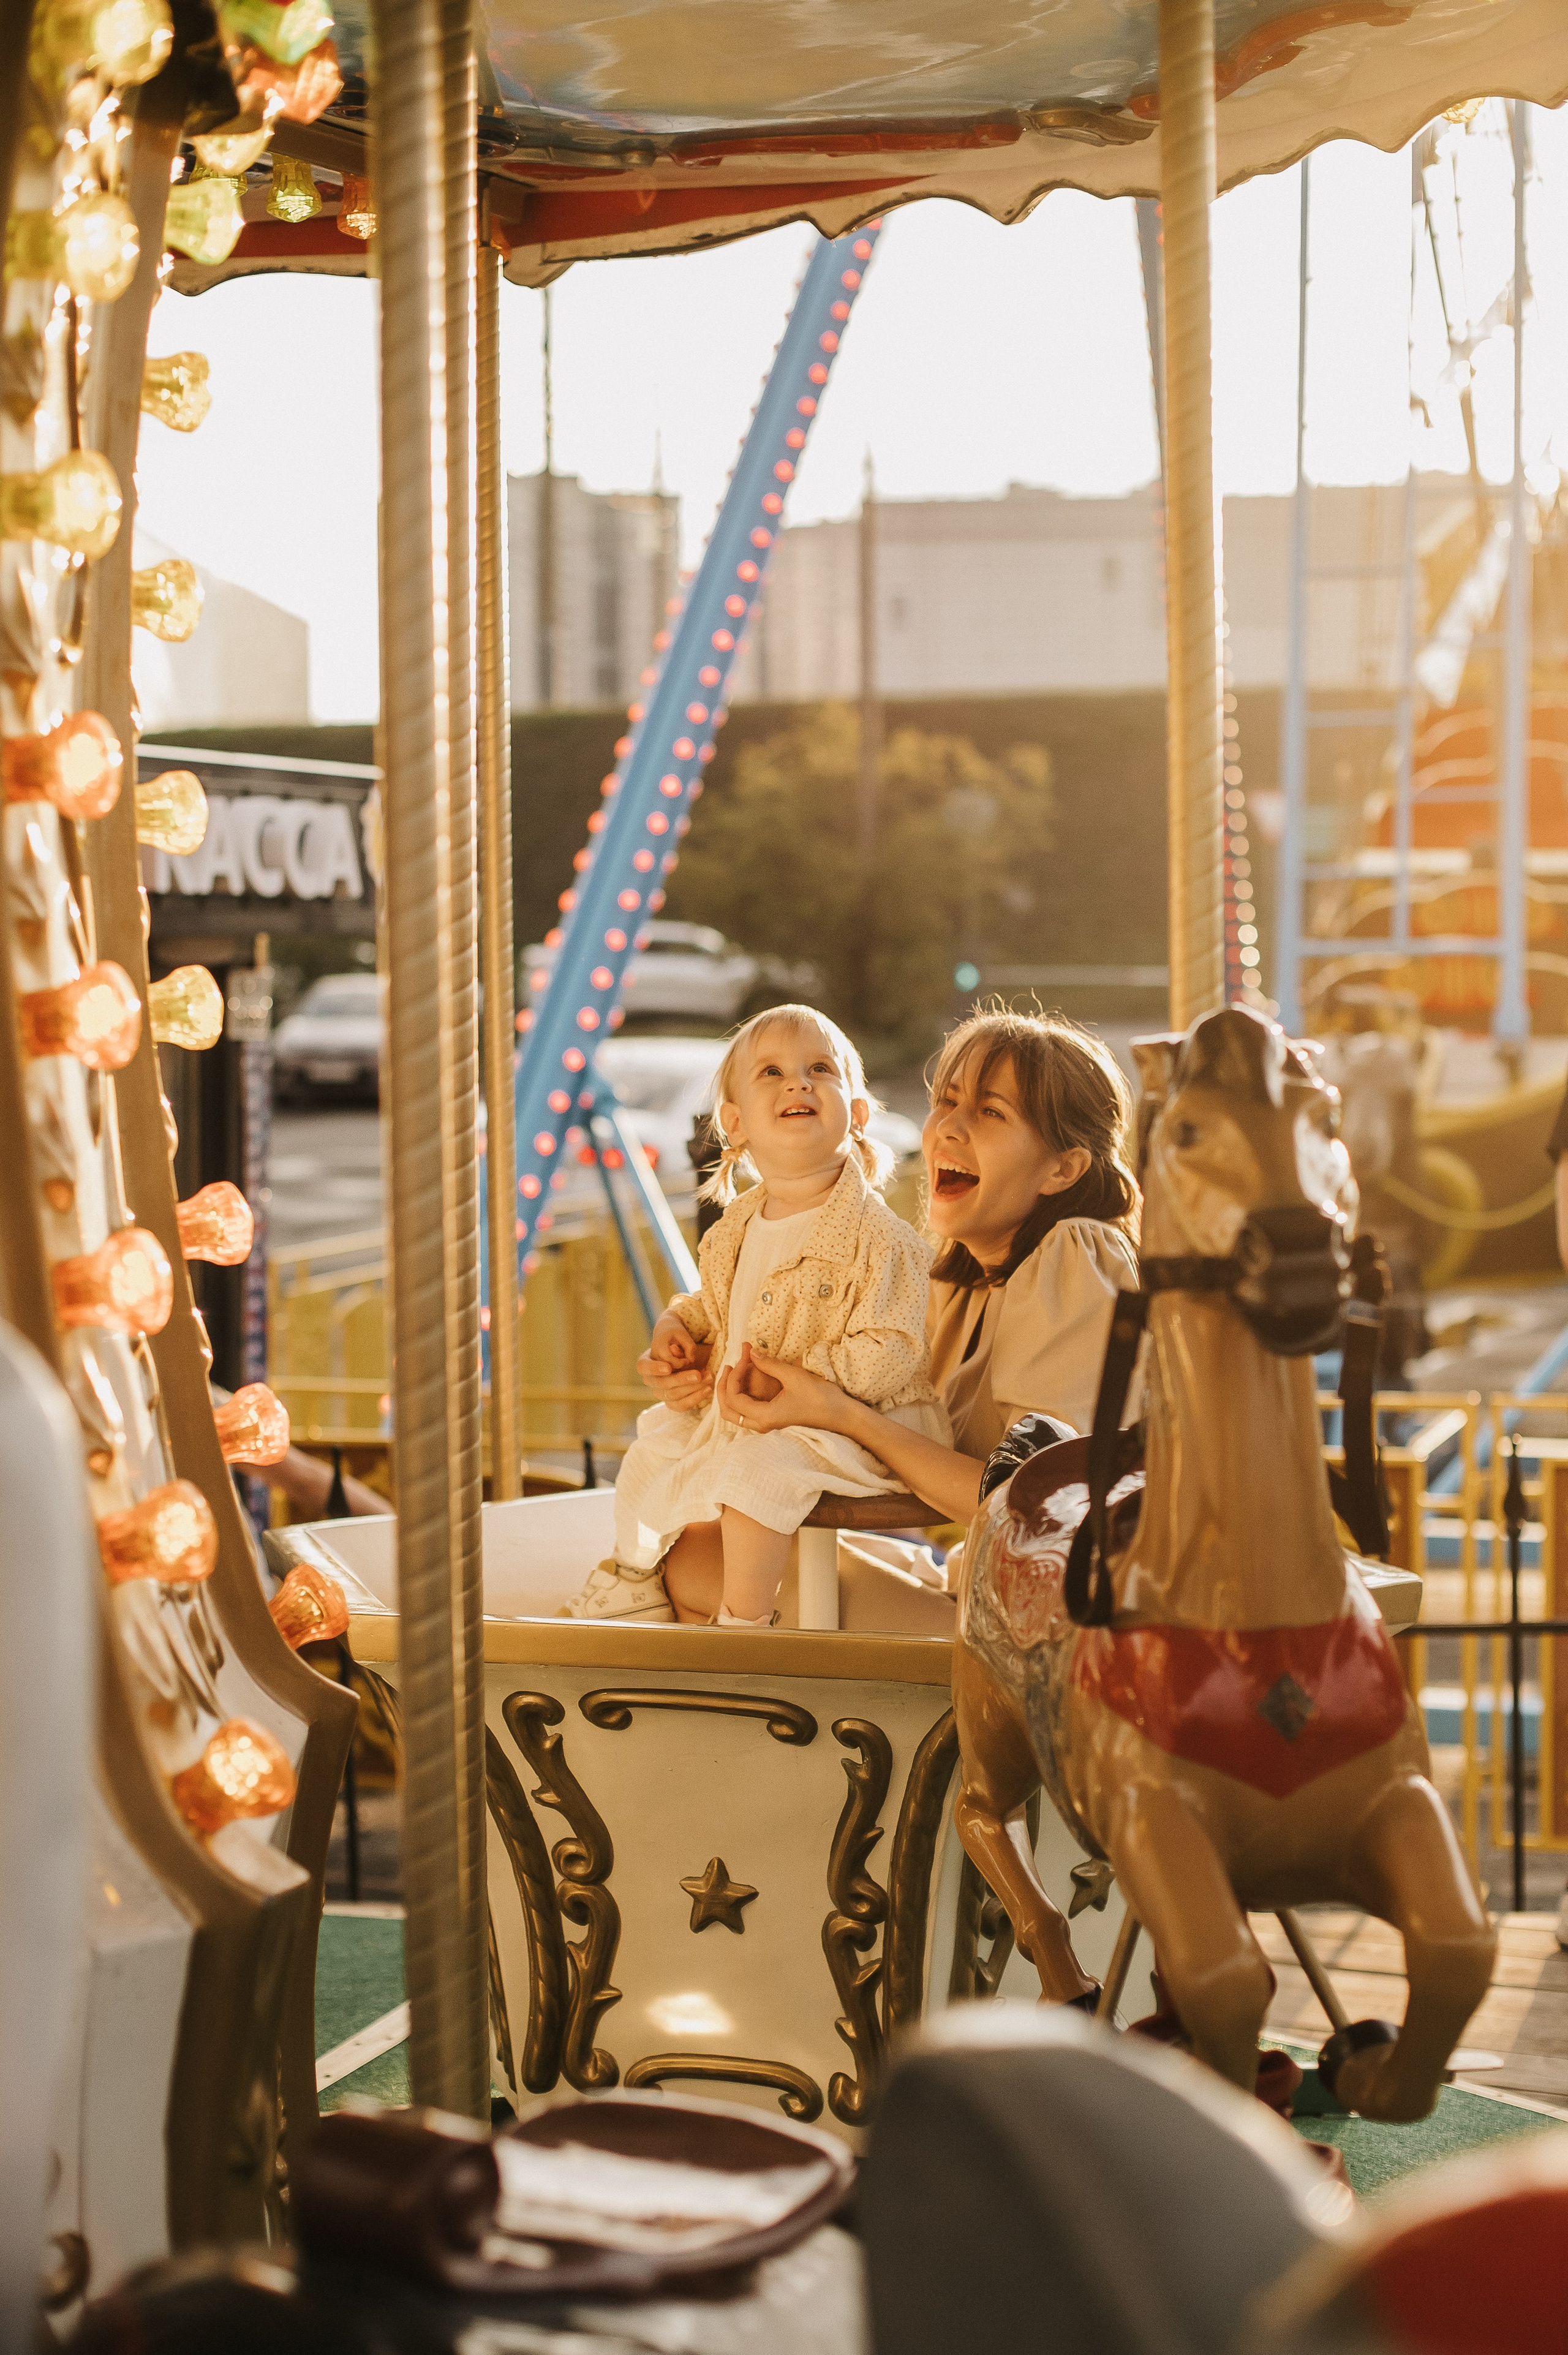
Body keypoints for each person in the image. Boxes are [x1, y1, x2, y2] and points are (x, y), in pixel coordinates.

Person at [564, 1004, 949, 1627]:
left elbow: (889, 1352)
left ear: (853, 1115)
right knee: (654, 1438)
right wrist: (676, 1329)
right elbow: (709, 1305)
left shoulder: (883, 1239)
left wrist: (793, 1378)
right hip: (756, 1415)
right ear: (735, 1124)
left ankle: (743, 1621)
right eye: (771, 1071)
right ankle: (632, 1574)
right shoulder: (733, 1229)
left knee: (753, 1476)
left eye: (819, 1068)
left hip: (856, 1427)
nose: (798, 1081)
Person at [707, 1006, 1141, 1551]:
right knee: (700, 1560)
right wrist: (700, 1354)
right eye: (948, 1102)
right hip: (982, 1580)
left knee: (722, 1579)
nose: (948, 1130)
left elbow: (1033, 1505)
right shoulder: (956, 1282)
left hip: (1070, 1608)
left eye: (990, 1112)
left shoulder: (1074, 1255)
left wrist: (843, 1416)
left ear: (1063, 1169)